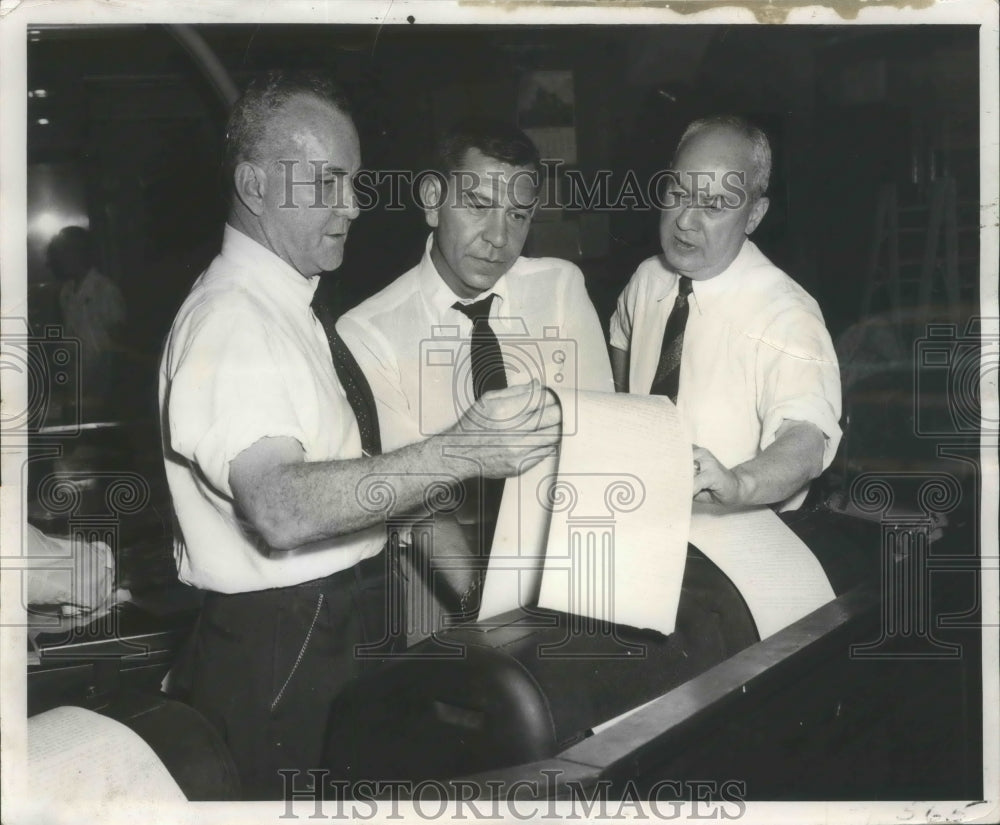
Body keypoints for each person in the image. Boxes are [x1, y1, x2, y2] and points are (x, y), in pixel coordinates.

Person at [158, 72, 560, 799]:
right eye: (328, 182)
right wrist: (461, 450)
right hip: (279, 649)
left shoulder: (286, 307)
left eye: (355, 182)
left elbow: (351, 479)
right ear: (253, 183)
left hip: (329, 627)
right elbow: (278, 505)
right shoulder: (232, 319)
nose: (352, 205)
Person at [338, 119, 613, 641]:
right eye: (478, 206)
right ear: (432, 199)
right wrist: (489, 610)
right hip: (436, 574)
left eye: (518, 215)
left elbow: (599, 440)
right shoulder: (367, 331)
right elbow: (415, 505)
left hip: (558, 555)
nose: (498, 238)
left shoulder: (559, 286)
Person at [610, 115, 841, 511]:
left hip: (743, 529)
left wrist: (739, 484)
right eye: (677, 193)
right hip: (644, 512)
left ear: (754, 215)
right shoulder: (648, 279)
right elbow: (621, 345)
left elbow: (806, 438)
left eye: (714, 205)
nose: (684, 220)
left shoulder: (786, 313)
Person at [48, 225, 126, 419]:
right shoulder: (66, 292)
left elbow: (118, 341)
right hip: (75, 380)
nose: (61, 259)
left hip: (102, 383)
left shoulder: (105, 289)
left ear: (80, 253)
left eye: (66, 252)